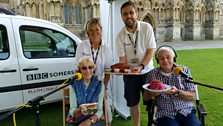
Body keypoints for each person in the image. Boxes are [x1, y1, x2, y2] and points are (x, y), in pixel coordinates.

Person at [115, 1, 156, 126]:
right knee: (133, 103)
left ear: (136, 13)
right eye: (125, 14)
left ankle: (152, 123)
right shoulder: (119, 36)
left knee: (151, 102)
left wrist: (141, 66)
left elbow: (150, 51)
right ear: (122, 16)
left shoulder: (146, 27)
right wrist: (124, 68)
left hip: (147, 71)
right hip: (130, 75)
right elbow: (122, 60)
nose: (128, 16)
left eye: (131, 12)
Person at [143, 45, 201, 126]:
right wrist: (152, 94)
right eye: (161, 58)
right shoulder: (152, 74)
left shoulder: (184, 70)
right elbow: (145, 97)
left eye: (168, 57)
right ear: (157, 60)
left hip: (186, 111)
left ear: (174, 58)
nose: (165, 61)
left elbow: (193, 96)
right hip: (165, 113)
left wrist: (178, 92)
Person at [75, 17, 113, 125]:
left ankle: (103, 120)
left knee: (105, 113)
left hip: (100, 83)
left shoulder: (106, 48)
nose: (94, 32)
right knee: (85, 109)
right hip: (84, 83)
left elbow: (108, 71)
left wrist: (104, 87)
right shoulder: (82, 46)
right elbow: (78, 68)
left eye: (97, 29)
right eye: (91, 30)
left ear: (101, 30)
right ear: (87, 32)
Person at [68, 56, 104, 126]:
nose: (88, 71)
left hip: (93, 119)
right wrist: (79, 111)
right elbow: (72, 109)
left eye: (90, 67)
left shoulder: (100, 84)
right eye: (84, 68)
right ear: (79, 70)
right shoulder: (73, 85)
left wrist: (90, 120)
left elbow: (99, 110)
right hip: (78, 117)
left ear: (93, 68)